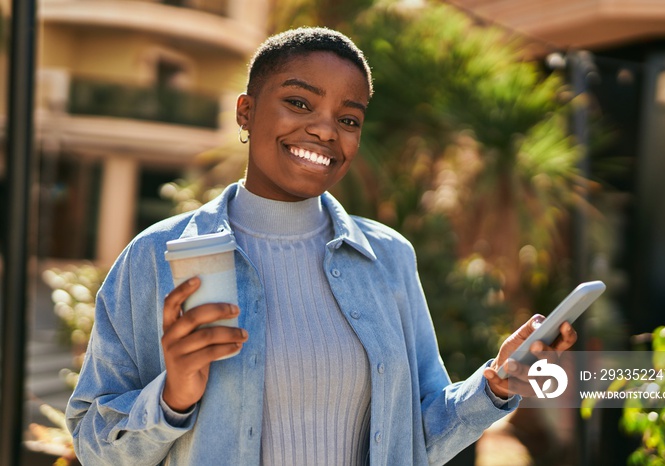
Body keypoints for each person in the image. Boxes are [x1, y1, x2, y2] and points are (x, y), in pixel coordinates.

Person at [66, 27, 577, 466]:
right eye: (299, 102)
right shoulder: (157, 256)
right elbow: (94, 448)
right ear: (246, 111)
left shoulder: (388, 258)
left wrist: (496, 384)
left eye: (349, 118)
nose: (325, 129)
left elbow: (414, 440)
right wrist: (171, 399)